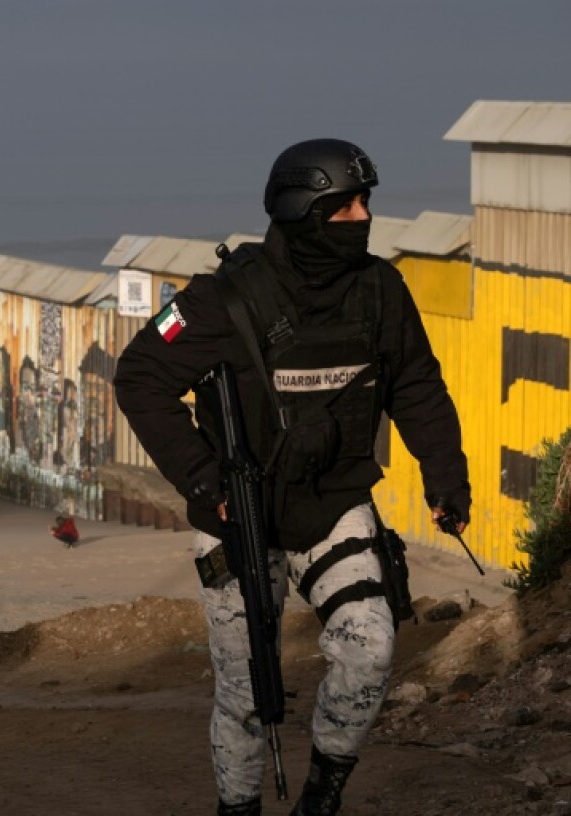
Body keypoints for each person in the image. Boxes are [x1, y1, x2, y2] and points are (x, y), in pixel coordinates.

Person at [114, 139, 471, 816]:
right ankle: (239, 807)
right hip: (237, 517)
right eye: (346, 207)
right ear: (304, 210)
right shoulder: (218, 299)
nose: (364, 218)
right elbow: (139, 377)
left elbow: (418, 385)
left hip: (335, 503)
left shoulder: (381, 290)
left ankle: (323, 795)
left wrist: (446, 480)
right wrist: (202, 479)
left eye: (366, 202)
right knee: (249, 692)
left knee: (369, 648)